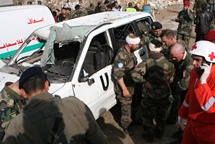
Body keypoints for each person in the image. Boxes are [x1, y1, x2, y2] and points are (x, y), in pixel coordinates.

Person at [2, 67, 108, 144]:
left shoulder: (16, 125)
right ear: (46, 84)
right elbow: (98, 139)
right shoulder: (75, 105)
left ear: (24, 93)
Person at [131, 39, 175, 142]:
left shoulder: (147, 63)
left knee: (147, 116)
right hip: (164, 94)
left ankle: (148, 135)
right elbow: (171, 79)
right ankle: (159, 133)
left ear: (150, 50)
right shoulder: (169, 63)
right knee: (161, 115)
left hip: (150, 95)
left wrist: (144, 81)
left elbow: (134, 74)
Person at [178, 40, 215, 143]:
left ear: (209, 61)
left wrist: (203, 83)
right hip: (192, 124)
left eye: (197, 60)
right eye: (193, 59)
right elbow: (190, 95)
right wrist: (182, 114)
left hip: (209, 130)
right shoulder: (195, 72)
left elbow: (211, 107)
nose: (193, 63)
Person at [113, 33, 140, 135]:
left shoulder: (130, 51)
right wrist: (124, 89)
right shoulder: (121, 56)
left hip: (131, 83)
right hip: (125, 85)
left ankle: (133, 119)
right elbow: (118, 75)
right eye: (136, 45)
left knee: (134, 103)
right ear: (129, 44)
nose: (138, 46)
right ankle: (126, 125)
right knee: (126, 106)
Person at [168, 43, 193, 144]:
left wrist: (171, 91)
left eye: (175, 56)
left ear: (182, 53)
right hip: (185, 93)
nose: (173, 59)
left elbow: (184, 84)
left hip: (188, 93)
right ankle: (181, 132)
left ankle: (183, 137)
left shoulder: (190, 64)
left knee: (186, 117)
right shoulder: (180, 58)